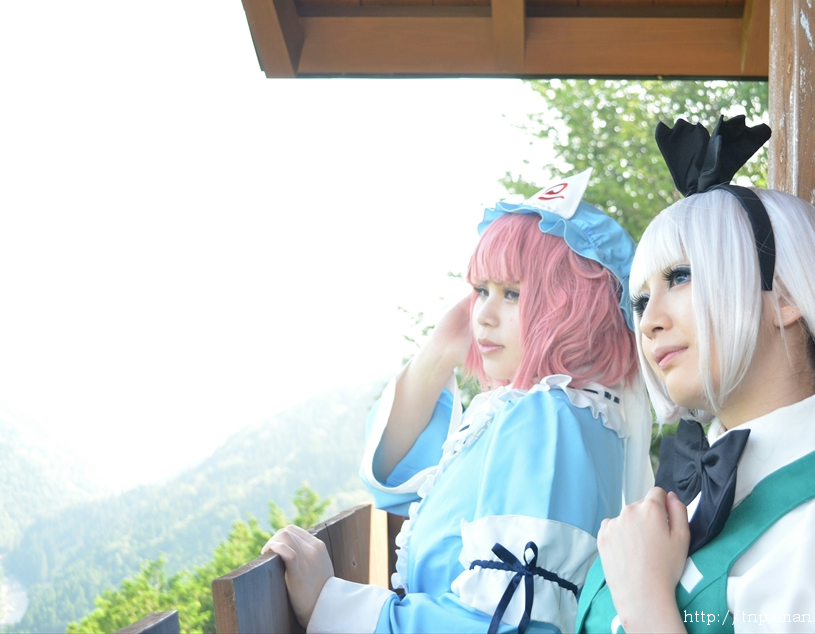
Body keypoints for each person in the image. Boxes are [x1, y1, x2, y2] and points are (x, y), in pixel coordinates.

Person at [576, 116, 815, 633]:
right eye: (642, 300)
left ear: (785, 296)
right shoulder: (695, 494)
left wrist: (647, 605)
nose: (648, 322)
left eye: (681, 276)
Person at [264, 170, 655, 634]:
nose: (482, 315)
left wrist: (332, 605)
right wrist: (438, 353)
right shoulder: (569, 417)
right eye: (481, 290)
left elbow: (506, 623)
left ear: (572, 307)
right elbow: (398, 482)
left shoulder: (547, 420)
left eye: (513, 293)